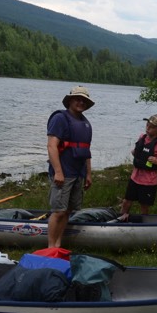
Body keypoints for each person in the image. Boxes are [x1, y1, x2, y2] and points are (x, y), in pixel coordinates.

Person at [46, 85, 95, 248]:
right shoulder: (60, 118)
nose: (81, 102)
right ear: (70, 101)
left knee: (67, 211)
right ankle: (51, 247)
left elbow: (86, 151)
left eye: (84, 100)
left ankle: (58, 244)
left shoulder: (86, 124)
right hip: (64, 173)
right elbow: (52, 146)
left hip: (78, 173)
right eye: (77, 99)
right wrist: (58, 172)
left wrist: (88, 174)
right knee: (59, 211)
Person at [117, 114, 157, 221]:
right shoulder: (142, 137)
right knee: (126, 202)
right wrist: (135, 153)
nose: (148, 128)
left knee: (144, 206)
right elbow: (138, 153)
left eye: (152, 127)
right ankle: (118, 222)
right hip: (135, 178)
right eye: (147, 125)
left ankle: (144, 225)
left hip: (148, 182)